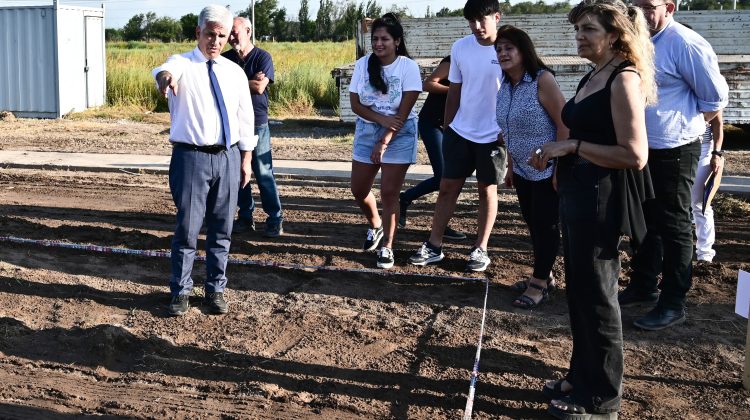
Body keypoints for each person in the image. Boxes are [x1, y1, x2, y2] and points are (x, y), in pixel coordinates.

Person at [529, 0, 656, 417]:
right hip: (577, 190)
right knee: (581, 291)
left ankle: (602, 398)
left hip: (601, 199)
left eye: (589, 30)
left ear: (615, 35)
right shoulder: (596, 73)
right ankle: (579, 376)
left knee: (599, 295)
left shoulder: (623, 79)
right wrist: (561, 159)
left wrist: (572, 146)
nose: (579, 36)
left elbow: (635, 155)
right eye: (577, 29)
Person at [620, 0, 729, 331]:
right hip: (641, 149)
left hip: (675, 150)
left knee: (674, 224)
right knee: (645, 219)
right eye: (633, 5)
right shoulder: (635, 40)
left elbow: (715, 97)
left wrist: (686, 128)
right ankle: (643, 284)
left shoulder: (685, 43)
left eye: (648, 6)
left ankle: (673, 302)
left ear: (669, 6)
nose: (639, 12)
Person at [153, 5, 255, 316]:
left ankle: (215, 290)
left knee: (222, 228)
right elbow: (162, 71)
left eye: (222, 35)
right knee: (187, 229)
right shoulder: (182, 63)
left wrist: (246, 158)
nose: (215, 40)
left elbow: (245, 118)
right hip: (191, 158)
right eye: (210, 34)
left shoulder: (234, 72)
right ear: (198, 33)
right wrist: (165, 80)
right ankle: (181, 291)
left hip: (227, 156)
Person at [408, 0, 507, 272]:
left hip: (493, 137)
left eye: (482, 19)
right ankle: (434, 245)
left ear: (496, 17)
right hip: (460, 132)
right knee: (447, 188)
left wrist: (507, 129)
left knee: (487, 190)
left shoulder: (508, 48)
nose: (476, 26)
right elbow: (455, 90)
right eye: (471, 21)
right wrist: (450, 127)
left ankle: (480, 248)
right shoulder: (461, 47)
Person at [494, 24, 569, 309]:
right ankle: (545, 275)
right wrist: (511, 166)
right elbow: (509, 130)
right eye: (499, 49)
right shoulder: (506, 86)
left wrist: (560, 168)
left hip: (548, 170)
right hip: (524, 171)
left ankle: (538, 284)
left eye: (509, 48)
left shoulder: (542, 80)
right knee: (533, 225)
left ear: (524, 51)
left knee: (546, 226)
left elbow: (564, 124)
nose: (503, 53)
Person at [349, 13, 422, 269]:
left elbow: (403, 112)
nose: (379, 43)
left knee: (389, 192)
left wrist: (385, 138)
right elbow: (355, 104)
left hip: (400, 133)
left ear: (397, 41)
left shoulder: (408, 67)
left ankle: (388, 246)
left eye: (385, 39)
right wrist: (380, 122)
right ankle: (376, 225)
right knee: (358, 189)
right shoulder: (363, 65)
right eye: (375, 39)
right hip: (368, 130)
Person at [223, 16, 284, 238]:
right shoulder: (225, 59)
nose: (230, 37)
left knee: (263, 171)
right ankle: (245, 217)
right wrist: (245, 82)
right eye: (229, 33)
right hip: (232, 123)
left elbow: (259, 87)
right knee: (239, 173)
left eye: (234, 32)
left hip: (257, 123)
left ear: (248, 31)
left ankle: (275, 218)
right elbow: (219, 87)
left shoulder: (262, 57)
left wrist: (234, 83)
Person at [397, 56, 467, 241]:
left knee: (454, 178)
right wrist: (457, 89)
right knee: (443, 176)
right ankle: (405, 198)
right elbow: (427, 84)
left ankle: (441, 222)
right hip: (432, 124)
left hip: (454, 127)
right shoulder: (454, 61)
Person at [691, 110, 724, 263]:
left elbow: (718, 124)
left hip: (703, 150)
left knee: (700, 203)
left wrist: (716, 154)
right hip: (677, 147)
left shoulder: (708, 92)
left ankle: (704, 253)